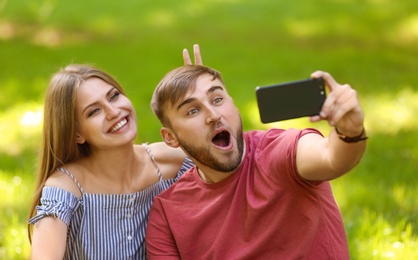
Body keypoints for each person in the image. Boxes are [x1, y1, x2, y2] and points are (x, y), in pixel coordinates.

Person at [146, 57, 367, 258]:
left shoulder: (278, 152)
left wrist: (350, 131)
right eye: (192, 111)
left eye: (217, 99)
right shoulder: (168, 213)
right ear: (170, 137)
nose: (213, 116)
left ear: (233, 104)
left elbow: (332, 157)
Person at [27, 45, 202, 259]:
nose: (113, 111)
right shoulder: (66, 189)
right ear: (76, 135)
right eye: (94, 111)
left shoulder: (174, 163)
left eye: (113, 96)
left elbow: (238, 164)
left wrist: (200, 104)